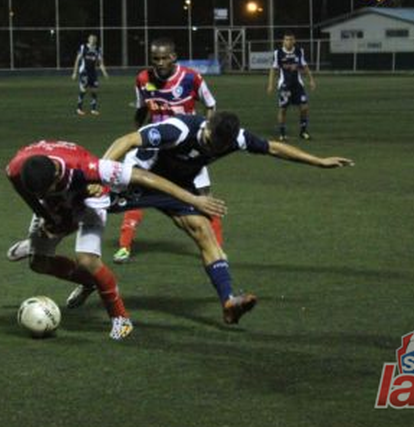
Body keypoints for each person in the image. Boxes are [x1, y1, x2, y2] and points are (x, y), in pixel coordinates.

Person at [68, 112, 353, 326]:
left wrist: (318, 161)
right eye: (212, 144)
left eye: (220, 147)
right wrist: (98, 175)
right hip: (136, 180)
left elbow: (273, 147)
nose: (214, 150)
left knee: (203, 230)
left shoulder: (235, 138)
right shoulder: (179, 130)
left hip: (176, 188)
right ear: (207, 129)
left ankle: (228, 300)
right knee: (71, 217)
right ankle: (85, 276)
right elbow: (127, 140)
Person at [5, 140, 226, 340]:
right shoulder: (16, 168)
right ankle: (89, 282)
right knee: (38, 264)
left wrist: (193, 199)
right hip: (56, 204)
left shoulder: (89, 168)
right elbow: (26, 193)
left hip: (90, 200)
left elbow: (143, 177)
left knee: (87, 260)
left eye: (46, 190)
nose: (42, 195)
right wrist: (45, 216)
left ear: (55, 173)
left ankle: (121, 319)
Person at [114, 37, 219, 265]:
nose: (160, 63)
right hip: (155, 147)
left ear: (173, 57)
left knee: (205, 196)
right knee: (136, 192)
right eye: (155, 58)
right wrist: (137, 134)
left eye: (164, 58)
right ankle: (124, 247)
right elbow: (142, 109)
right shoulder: (143, 79)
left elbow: (210, 105)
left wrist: (206, 134)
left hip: (187, 148)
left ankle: (217, 249)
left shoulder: (191, 78)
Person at [267, 31, 317, 141]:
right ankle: (282, 134)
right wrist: (270, 84)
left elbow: (305, 66)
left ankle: (303, 132)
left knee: (304, 107)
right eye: (286, 39)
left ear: (294, 41)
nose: (288, 42)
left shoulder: (299, 51)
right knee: (283, 109)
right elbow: (273, 69)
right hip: (285, 85)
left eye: (290, 39)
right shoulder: (278, 53)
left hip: (297, 84)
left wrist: (311, 80)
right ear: (283, 41)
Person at [71, 34, 108, 116]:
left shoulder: (98, 49)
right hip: (84, 72)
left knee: (94, 90)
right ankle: (79, 109)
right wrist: (74, 72)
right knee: (83, 90)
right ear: (88, 40)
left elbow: (100, 63)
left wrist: (104, 72)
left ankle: (93, 109)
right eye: (91, 39)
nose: (92, 40)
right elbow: (77, 60)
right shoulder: (83, 47)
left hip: (93, 72)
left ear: (96, 41)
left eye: (94, 39)